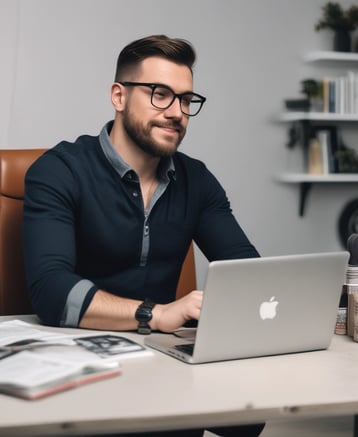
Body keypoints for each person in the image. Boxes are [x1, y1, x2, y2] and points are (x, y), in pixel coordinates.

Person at [23, 35, 264, 437]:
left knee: (247, 419)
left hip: (163, 365)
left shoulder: (197, 180)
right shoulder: (59, 171)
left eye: (186, 100)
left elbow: (248, 271)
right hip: (80, 365)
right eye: (160, 95)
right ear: (119, 96)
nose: (177, 113)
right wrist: (156, 314)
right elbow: (51, 290)